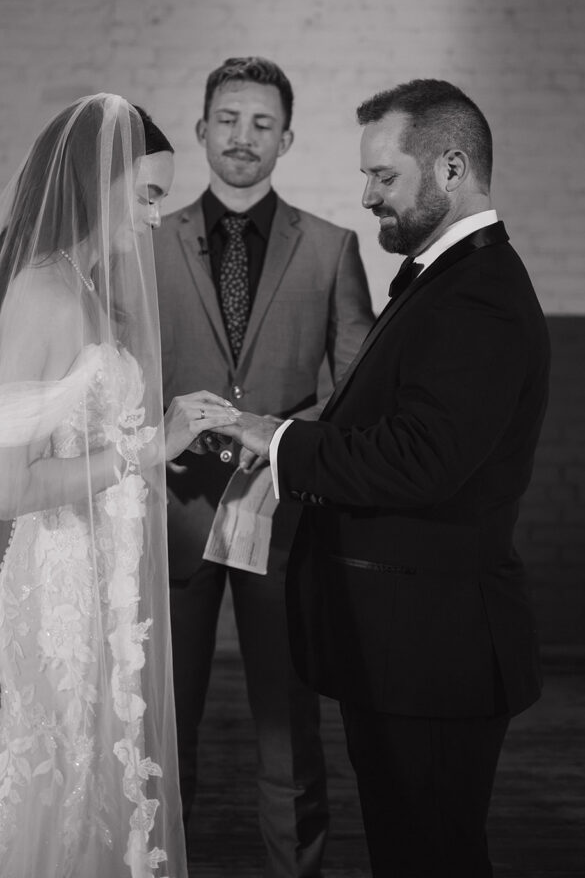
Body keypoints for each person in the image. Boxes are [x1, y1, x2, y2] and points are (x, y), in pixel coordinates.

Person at [215, 79, 550, 878]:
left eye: (383, 177)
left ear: (452, 167)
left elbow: (417, 461)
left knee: (430, 854)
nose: (366, 196)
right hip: (406, 646)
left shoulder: (480, 297)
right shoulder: (446, 281)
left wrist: (278, 439)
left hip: (435, 652)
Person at [0, 93, 241, 878]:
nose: (158, 217)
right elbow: (9, 491)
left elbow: (90, 436)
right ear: (98, 183)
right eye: (148, 195)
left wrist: (163, 435)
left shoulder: (89, 291)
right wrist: (147, 449)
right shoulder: (44, 294)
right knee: (53, 786)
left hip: (97, 580)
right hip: (55, 590)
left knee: (91, 790)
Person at [153, 56, 374, 876]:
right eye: (228, 118)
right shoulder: (146, 243)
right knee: (161, 723)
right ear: (202, 126)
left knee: (288, 724)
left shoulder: (330, 248)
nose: (242, 137)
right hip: (172, 506)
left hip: (284, 514)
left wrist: (280, 449)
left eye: (261, 123)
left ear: (287, 137)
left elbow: (353, 393)